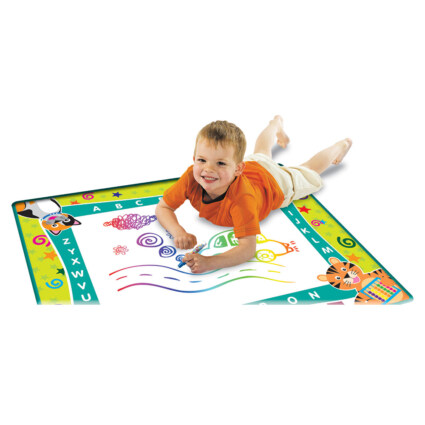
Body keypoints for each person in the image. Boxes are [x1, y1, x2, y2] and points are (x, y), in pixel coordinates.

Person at [155, 116, 352, 273]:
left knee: (309, 169)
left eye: (220, 163)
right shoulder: (192, 175)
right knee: (261, 153)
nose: (208, 169)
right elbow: (163, 207)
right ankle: (275, 124)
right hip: (253, 167)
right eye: (202, 160)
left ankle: (341, 145)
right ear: (194, 159)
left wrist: (210, 262)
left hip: (277, 184)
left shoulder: (242, 199)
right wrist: (178, 232)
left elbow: (248, 249)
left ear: (237, 169)